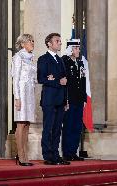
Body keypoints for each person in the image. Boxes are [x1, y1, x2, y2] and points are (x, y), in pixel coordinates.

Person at [37, 33, 70, 165]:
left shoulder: (60, 59)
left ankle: (56, 154)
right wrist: (57, 81)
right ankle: (48, 156)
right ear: (49, 43)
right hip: (49, 99)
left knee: (57, 129)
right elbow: (41, 78)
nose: (60, 43)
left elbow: (65, 81)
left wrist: (66, 100)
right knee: (48, 128)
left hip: (60, 99)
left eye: (60, 41)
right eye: (57, 41)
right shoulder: (43, 59)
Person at [11, 34, 36, 166]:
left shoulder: (31, 58)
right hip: (21, 93)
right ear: (22, 44)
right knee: (20, 124)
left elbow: (33, 77)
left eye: (33, 41)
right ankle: (20, 155)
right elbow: (15, 79)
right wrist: (17, 97)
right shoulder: (18, 57)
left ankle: (25, 154)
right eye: (29, 41)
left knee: (27, 124)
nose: (32, 43)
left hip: (30, 94)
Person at [61, 39, 86, 161]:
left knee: (77, 126)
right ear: (70, 49)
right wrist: (65, 100)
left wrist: (84, 99)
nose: (78, 50)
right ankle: (67, 152)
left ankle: (73, 151)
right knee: (68, 126)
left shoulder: (80, 63)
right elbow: (64, 84)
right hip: (69, 99)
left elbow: (83, 82)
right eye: (75, 48)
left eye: (78, 48)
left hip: (79, 99)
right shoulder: (64, 61)